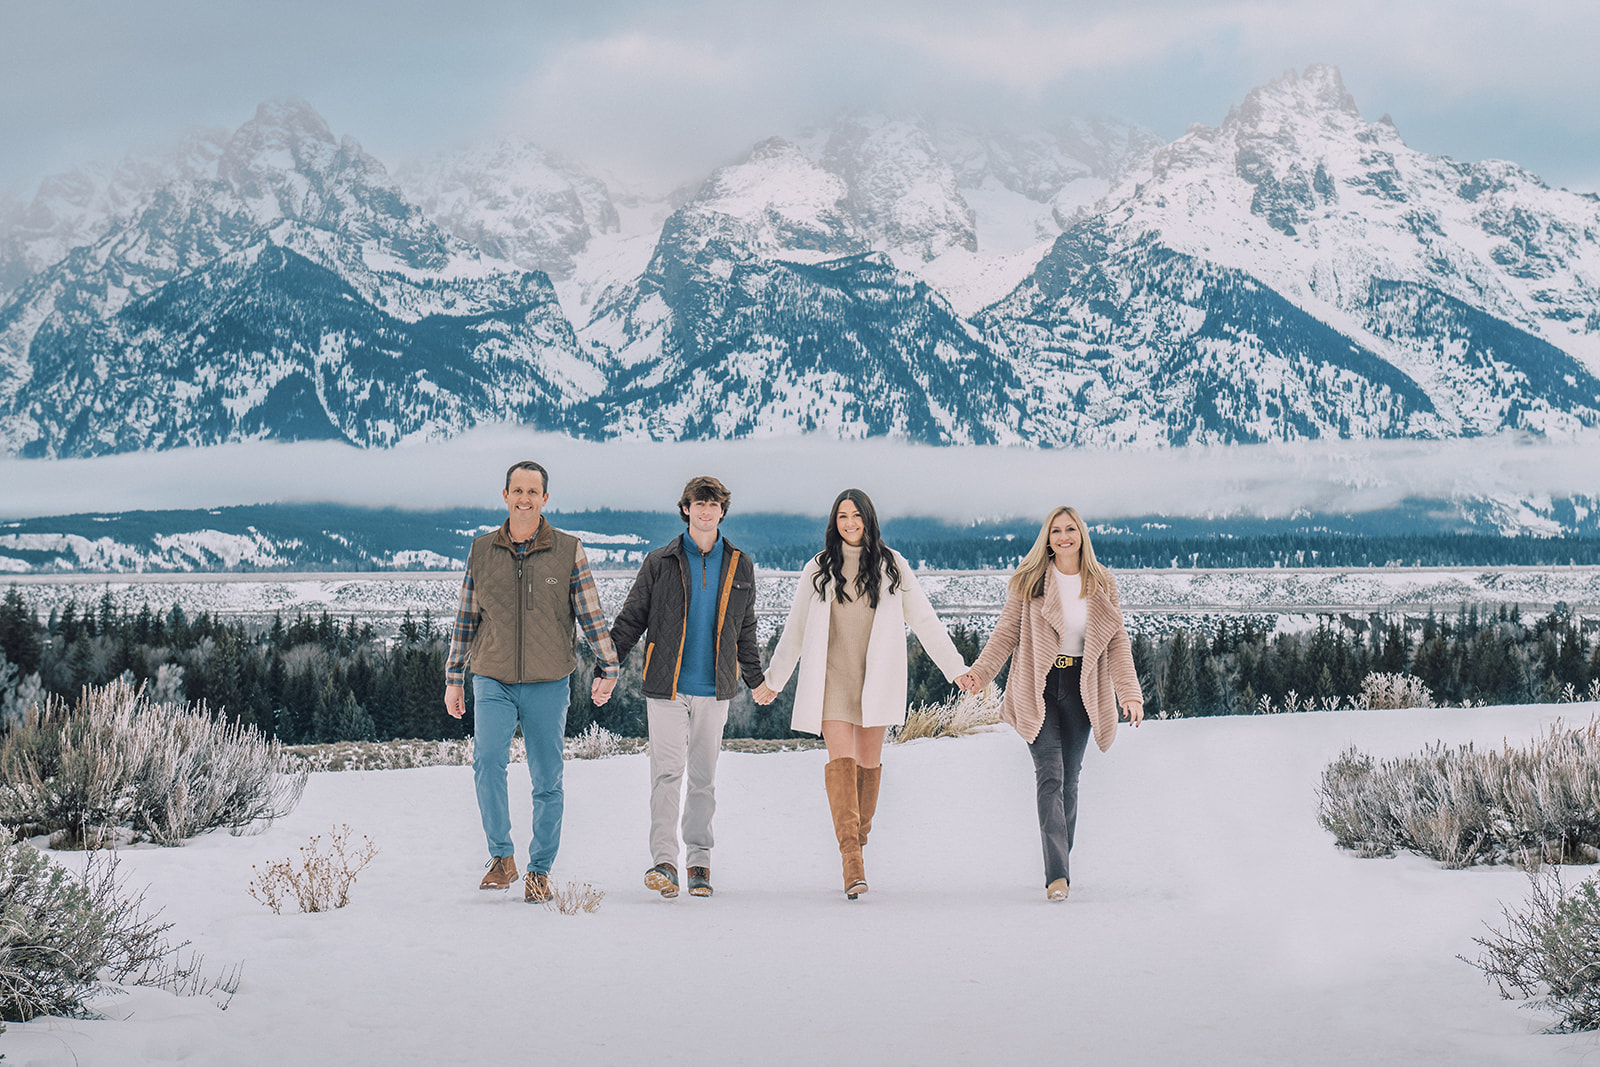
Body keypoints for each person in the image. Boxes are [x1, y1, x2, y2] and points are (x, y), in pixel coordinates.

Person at [755, 489, 968, 900]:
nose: (850, 523)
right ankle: (852, 862)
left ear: (868, 519)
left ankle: (857, 842)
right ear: (834, 523)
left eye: (856, 516)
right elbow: (795, 631)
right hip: (832, 680)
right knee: (842, 762)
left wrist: (956, 669)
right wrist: (774, 680)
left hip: (877, 681)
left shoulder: (892, 566)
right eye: (842, 517)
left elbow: (925, 621)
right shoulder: (818, 569)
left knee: (869, 769)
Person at [444, 460, 620, 903]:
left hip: (548, 680)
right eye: (517, 490)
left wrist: (609, 667)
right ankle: (502, 858)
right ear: (505, 496)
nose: (524, 498)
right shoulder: (481, 550)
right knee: (487, 763)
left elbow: (591, 614)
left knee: (547, 778)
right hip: (492, 676)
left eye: (532, 491)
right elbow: (466, 617)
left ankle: (539, 870)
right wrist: (454, 677)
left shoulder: (568, 549)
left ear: (545, 498)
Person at [955, 506, 1144, 901]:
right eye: (1055, 531)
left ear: (1081, 535)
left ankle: (1060, 862)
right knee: (1050, 775)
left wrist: (1129, 693)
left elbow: (1117, 642)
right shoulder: (1030, 582)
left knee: (1070, 781)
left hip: (1082, 687)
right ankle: (1057, 875)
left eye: (1070, 529)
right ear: (1047, 537)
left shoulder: (1101, 582)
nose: (1063, 537)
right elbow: (1006, 633)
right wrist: (980, 673)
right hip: (1038, 686)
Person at [608, 475, 769, 900]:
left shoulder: (739, 564)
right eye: (698, 503)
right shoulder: (660, 561)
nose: (705, 510)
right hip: (667, 687)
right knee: (666, 773)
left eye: (713, 504)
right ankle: (664, 861)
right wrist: (607, 667)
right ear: (686, 509)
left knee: (703, 777)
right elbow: (630, 620)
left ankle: (699, 860)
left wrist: (756, 680)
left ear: (722, 511)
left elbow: (745, 630)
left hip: (715, 688)